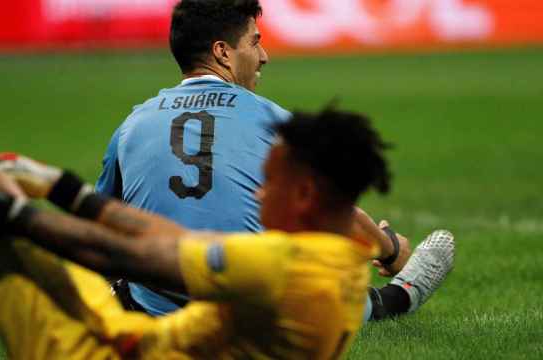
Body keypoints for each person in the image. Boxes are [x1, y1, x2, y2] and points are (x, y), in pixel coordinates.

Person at [0, 107, 454, 359]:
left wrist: (8, 214)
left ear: (305, 194)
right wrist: (59, 186)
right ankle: (401, 296)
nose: (257, 194)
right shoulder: (322, 259)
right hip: (128, 336)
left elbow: (143, 257)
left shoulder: (287, 269)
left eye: (268, 182)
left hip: (105, 352)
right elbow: (173, 241)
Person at [96, 0, 413, 319]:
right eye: (255, 41)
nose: (264, 56)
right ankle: (389, 301)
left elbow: (99, 223)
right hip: (250, 313)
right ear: (222, 52)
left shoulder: (131, 125)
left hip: (155, 312)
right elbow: (336, 212)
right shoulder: (275, 121)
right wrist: (390, 249)